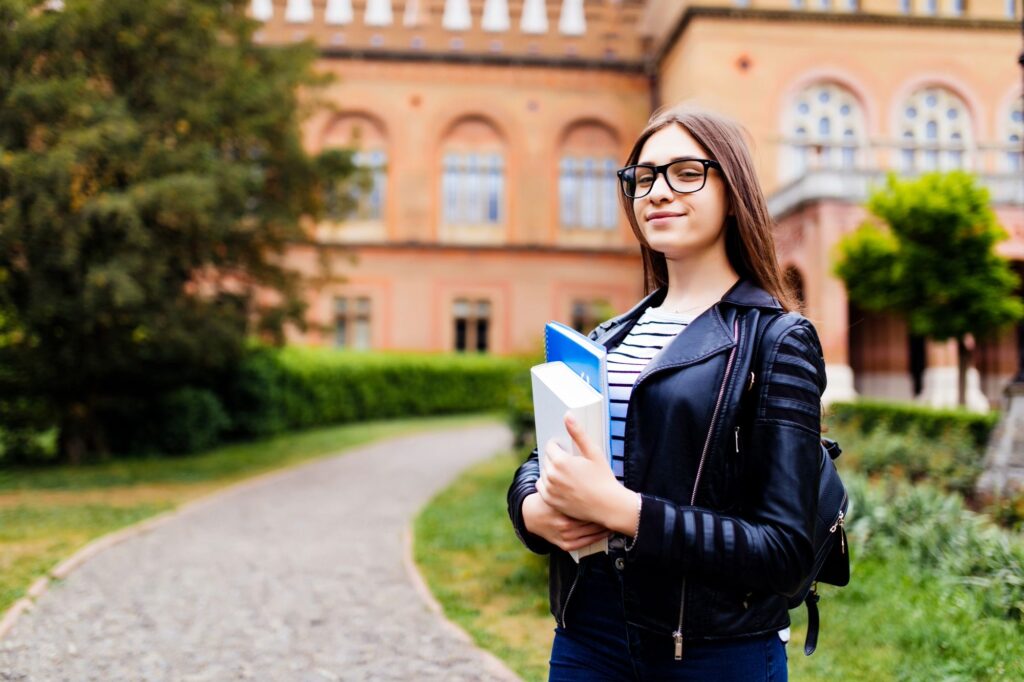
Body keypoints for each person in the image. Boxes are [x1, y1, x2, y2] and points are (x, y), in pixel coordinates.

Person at [506, 104, 827, 682]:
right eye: (644, 177)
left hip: (711, 650)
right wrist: (532, 509)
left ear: (734, 191)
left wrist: (620, 511)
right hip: (589, 628)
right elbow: (544, 457)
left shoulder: (777, 339)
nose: (656, 192)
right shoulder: (610, 337)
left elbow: (785, 550)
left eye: (686, 172)